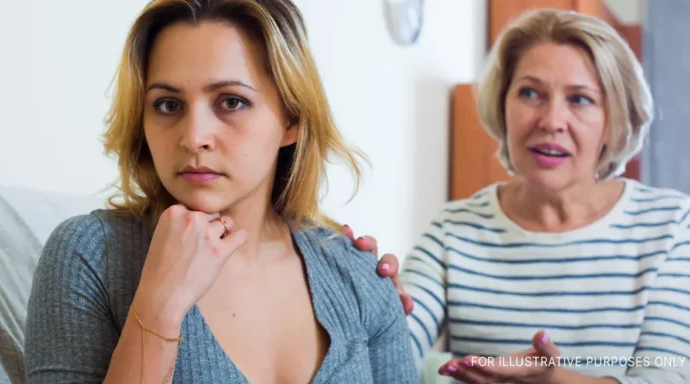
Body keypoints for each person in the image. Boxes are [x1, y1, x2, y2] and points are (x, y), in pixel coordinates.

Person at [23, 0, 419, 383]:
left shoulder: (361, 276)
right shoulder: (89, 255)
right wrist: (159, 307)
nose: (194, 138)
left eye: (231, 101)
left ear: (292, 119)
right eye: (167, 104)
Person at [348, 8, 690, 384]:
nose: (551, 121)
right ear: (502, 108)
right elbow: (393, 351)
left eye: (580, 99)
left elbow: (668, 377)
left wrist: (553, 381)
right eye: (530, 93)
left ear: (614, 123)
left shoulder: (669, 223)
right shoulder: (453, 229)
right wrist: (373, 302)